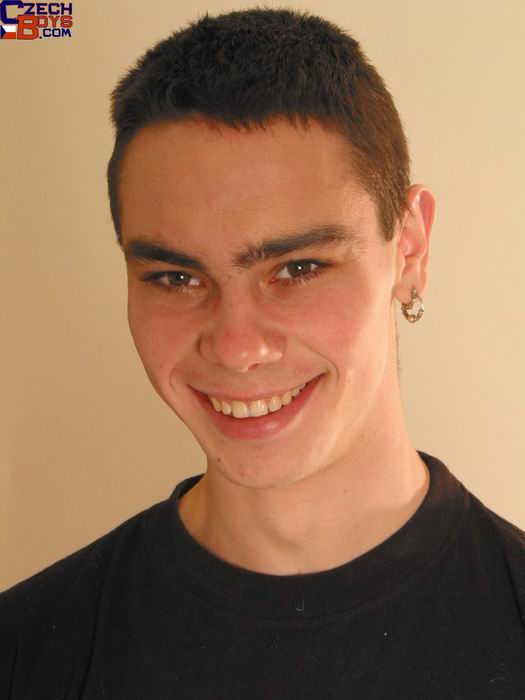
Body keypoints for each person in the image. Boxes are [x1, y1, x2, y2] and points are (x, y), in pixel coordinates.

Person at [1, 8, 524, 699]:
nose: (237, 347)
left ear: (409, 248)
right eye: (176, 278)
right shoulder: (24, 650)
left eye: (298, 268)